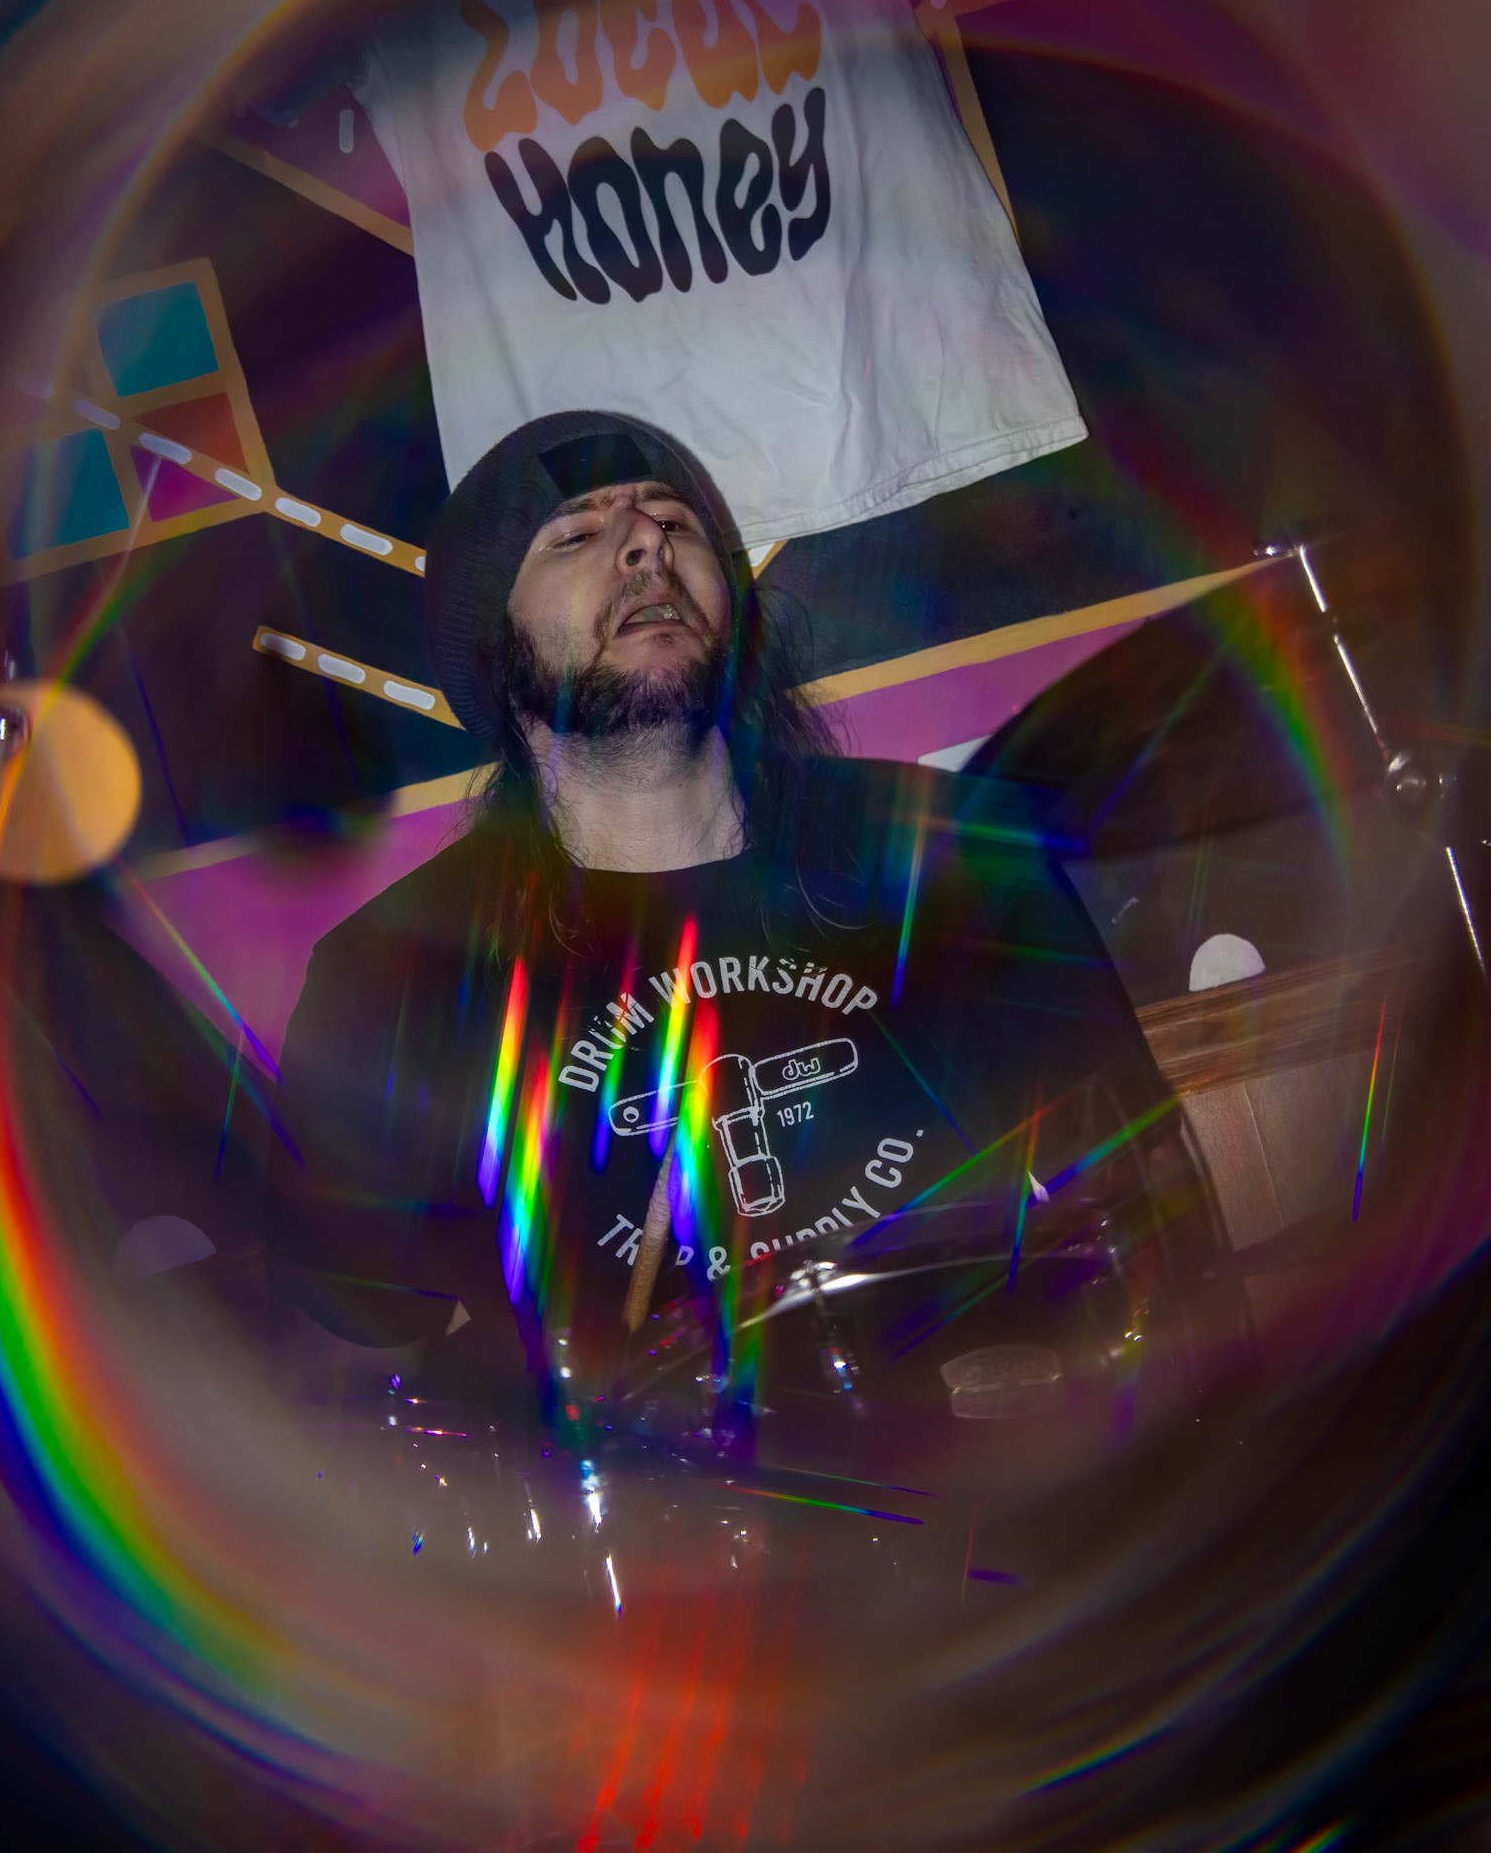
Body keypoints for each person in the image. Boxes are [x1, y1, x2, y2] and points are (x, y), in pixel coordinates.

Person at [266, 410, 1205, 1432]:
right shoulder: (394, 974)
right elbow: (364, 1378)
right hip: (655, 1516)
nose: (646, 543)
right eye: (575, 535)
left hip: (995, 1457)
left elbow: (1135, 1197)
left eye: (674, 522)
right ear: (491, 648)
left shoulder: (946, 852)